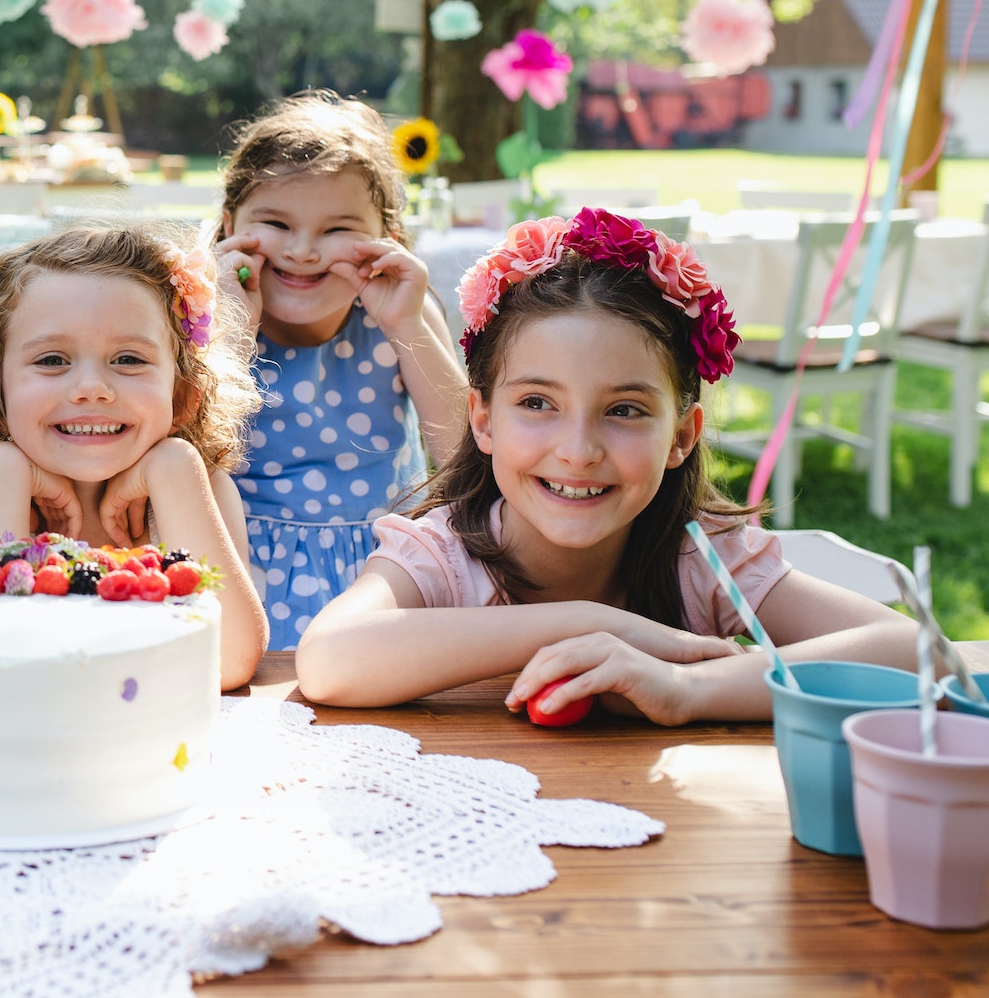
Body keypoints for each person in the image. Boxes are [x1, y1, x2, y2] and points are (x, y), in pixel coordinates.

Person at [296, 210, 918, 723]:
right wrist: (587, 624)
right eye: (537, 403)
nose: (578, 449)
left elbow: (908, 651)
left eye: (623, 410)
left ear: (680, 436)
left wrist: (686, 691)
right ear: (482, 421)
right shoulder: (442, 557)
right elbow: (328, 660)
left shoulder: (704, 560)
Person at [0, 226, 269, 689]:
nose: (92, 388)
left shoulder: (198, 487)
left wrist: (174, 467)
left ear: (183, 392)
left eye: (128, 359)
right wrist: (3, 467)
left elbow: (228, 663)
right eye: (52, 360)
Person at [210, 95, 469, 648]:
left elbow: (463, 454)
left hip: (384, 574)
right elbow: (187, 451)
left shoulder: (402, 314)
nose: (303, 251)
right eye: (276, 223)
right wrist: (229, 334)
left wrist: (406, 324)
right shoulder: (205, 321)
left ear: (386, 236)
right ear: (231, 224)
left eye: (337, 229)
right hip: (241, 570)